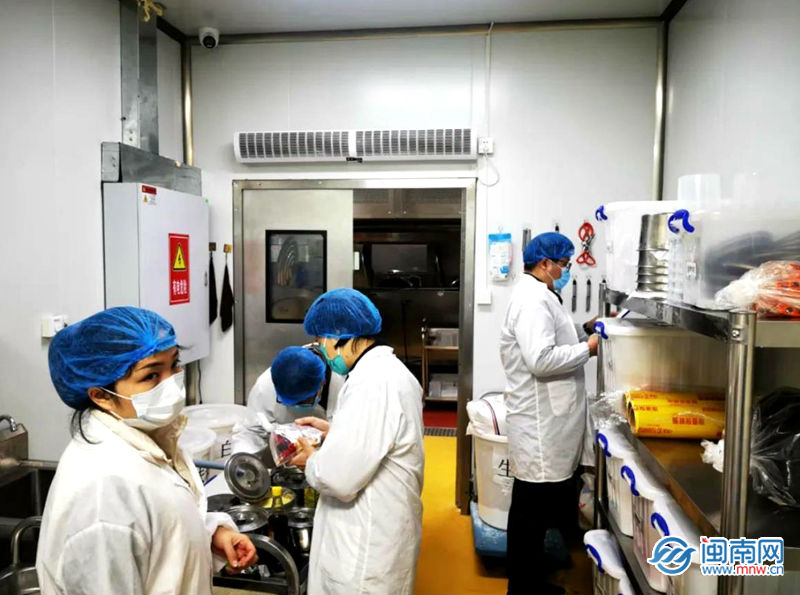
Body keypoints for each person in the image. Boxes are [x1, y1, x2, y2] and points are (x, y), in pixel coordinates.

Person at [37, 307, 257, 595]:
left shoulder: (147, 436)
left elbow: (158, 525)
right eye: (151, 375)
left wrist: (211, 533)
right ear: (101, 396)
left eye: (174, 365)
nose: (172, 383)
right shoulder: (104, 492)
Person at [289, 288, 425, 595]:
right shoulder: (388, 372)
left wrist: (311, 461)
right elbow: (374, 438)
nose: (322, 350)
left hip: (366, 544)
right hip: (383, 527)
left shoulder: (372, 384)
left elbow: (338, 478)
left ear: (340, 337)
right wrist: (335, 432)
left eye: (321, 341)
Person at [499, 232, 599, 595]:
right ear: (545, 264)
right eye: (564, 264)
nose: (566, 270)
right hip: (539, 426)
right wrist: (588, 349)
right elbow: (541, 359)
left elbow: (555, 338)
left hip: (546, 423)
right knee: (529, 514)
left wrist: (584, 331)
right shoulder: (532, 300)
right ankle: (523, 589)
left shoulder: (541, 295)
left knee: (534, 514)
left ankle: (529, 584)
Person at [232, 344, 344, 454]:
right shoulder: (266, 386)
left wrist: (317, 458)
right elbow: (250, 432)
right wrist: (243, 459)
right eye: (287, 402)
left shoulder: (344, 386)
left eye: (304, 402)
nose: (296, 407)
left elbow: (350, 439)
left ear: (322, 384)